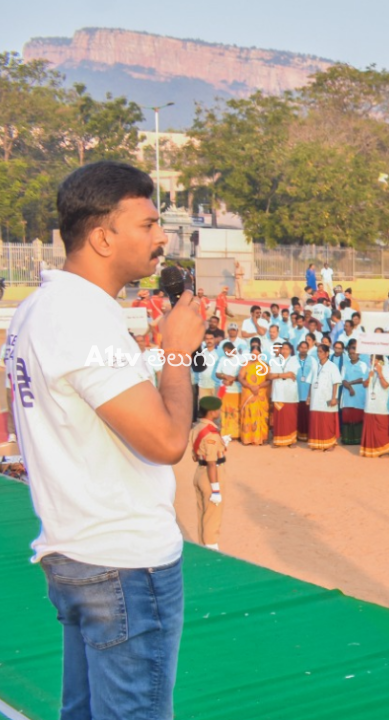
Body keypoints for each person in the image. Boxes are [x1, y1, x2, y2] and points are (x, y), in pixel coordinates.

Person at [9, 161, 205, 717]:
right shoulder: (79, 318)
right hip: (122, 561)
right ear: (101, 236)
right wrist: (175, 353)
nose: (162, 238)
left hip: (79, 549)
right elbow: (166, 442)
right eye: (146, 224)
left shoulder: (41, 307)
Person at [191, 396, 227, 550]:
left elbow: (196, 454)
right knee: (212, 518)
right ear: (212, 412)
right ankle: (212, 554)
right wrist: (216, 488)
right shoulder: (211, 433)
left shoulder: (197, 427)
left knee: (202, 517)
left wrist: (222, 442)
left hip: (199, 472)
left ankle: (203, 549)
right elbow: (212, 462)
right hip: (211, 475)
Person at [307, 344, 343, 451]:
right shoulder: (315, 366)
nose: (319, 353)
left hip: (327, 398)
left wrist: (334, 398)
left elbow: (335, 383)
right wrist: (308, 396)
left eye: (321, 352)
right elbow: (310, 382)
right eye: (318, 351)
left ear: (327, 353)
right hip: (315, 398)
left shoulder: (332, 366)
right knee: (316, 421)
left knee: (327, 422)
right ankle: (317, 443)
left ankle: (329, 444)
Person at [360, 355, 389, 458]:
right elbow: (364, 385)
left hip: (381, 404)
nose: (371, 361)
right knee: (370, 427)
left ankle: (384, 450)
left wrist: (380, 373)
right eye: (370, 359)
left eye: (373, 359)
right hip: (370, 404)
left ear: (380, 361)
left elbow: (385, 385)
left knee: (381, 428)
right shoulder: (369, 370)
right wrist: (369, 377)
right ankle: (370, 450)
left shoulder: (387, 370)